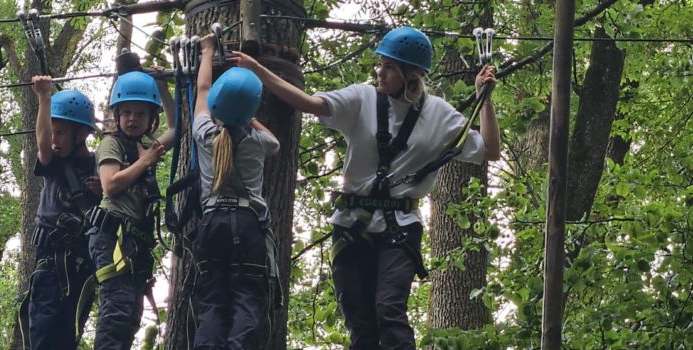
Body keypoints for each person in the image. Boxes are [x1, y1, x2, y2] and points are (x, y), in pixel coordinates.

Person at [230, 26, 500, 349]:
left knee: (389, 309)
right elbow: (308, 103)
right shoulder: (362, 98)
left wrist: (485, 99)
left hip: (399, 229)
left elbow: (489, 150)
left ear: (410, 75)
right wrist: (258, 71)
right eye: (381, 64)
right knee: (362, 326)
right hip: (351, 226)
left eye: (389, 67)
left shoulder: (438, 115)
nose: (380, 72)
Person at [190, 34, 280, 350]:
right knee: (246, 301)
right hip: (247, 223)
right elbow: (275, 143)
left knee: (213, 305)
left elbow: (201, 90)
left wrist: (207, 50)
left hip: (212, 222)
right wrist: (249, 116)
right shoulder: (259, 143)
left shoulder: (203, 134)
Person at [87, 70, 176, 350]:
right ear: (117, 115)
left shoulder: (144, 146)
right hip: (112, 238)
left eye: (140, 113)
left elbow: (177, 129)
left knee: (130, 316)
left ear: (151, 118)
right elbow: (110, 185)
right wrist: (146, 161)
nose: (132, 119)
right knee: (117, 311)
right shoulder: (111, 144)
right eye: (126, 112)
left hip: (133, 243)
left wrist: (163, 88)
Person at [20, 76, 102, 350]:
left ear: (82, 134)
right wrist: (44, 98)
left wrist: (103, 190)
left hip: (80, 265)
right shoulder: (54, 163)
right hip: (50, 262)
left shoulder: (99, 166)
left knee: (68, 337)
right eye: (52, 131)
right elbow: (43, 144)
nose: (54, 139)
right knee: (42, 334)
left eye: (61, 133)